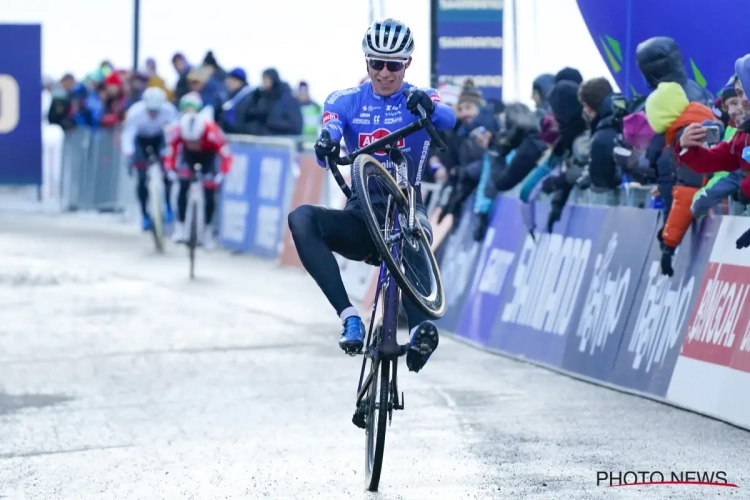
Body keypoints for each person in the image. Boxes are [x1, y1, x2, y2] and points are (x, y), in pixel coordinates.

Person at [287, 18, 457, 373]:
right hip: (361, 215)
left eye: (393, 65)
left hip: (406, 204)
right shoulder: (345, 100)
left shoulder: (418, 97)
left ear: (406, 64)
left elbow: (448, 119)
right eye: (376, 63)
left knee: (415, 231)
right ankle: (350, 318)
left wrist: (429, 105)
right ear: (366, 62)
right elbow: (329, 134)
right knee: (301, 218)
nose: (384, 72)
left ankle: (421, 328)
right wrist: (327, 141)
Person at [165, 94, 232, 249]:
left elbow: (226, 155)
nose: (194, 143)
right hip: (188, 157)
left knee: (210, 193)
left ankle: (208, 232)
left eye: (196, 141)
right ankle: (180, 228)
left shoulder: (211, 131)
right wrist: (170, 169)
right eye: (190, 141)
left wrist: (222, 173)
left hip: (208, 157)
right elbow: (171, 152)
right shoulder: (178, 130)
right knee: (183, 186)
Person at [121, 87, 179, 230]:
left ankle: (169, 206)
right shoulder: (135, 112)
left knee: (167, 174)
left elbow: (174, 132)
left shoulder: (169, 110)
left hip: (160, 138)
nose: (153, 114)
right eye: (150, 111)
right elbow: (128, 135)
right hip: (141, 140)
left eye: (156, 111)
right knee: (141, 179)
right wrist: (129, 154)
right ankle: (145, 214)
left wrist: (172, 153)